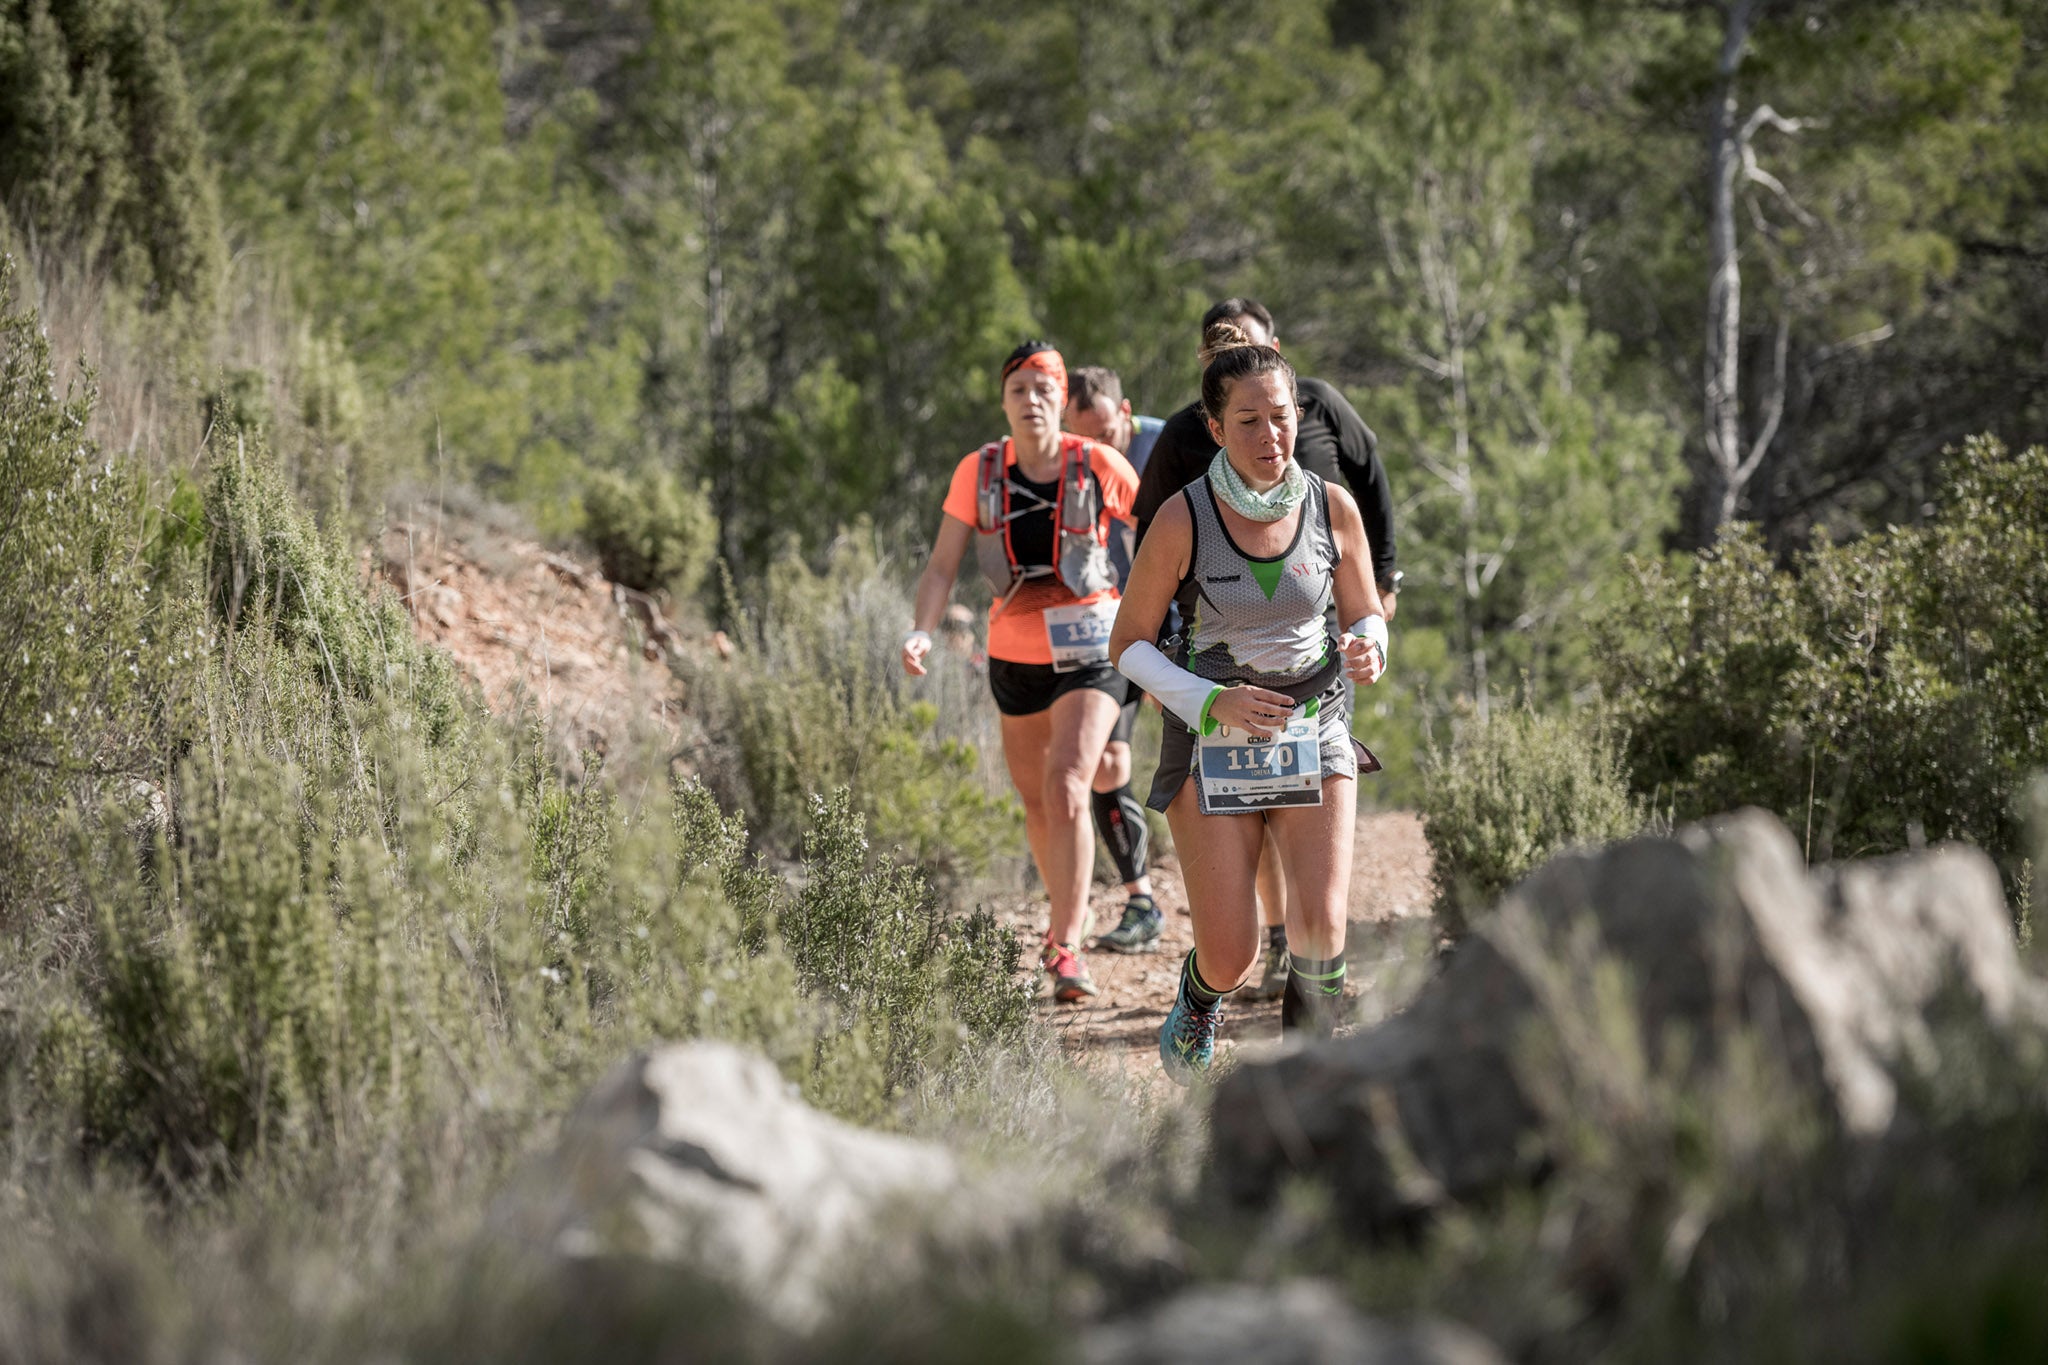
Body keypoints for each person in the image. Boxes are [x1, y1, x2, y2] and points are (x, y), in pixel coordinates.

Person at [1109, 321, 1388, 1083]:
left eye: (1283, 415)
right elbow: (1127, 645)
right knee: (1231, 952)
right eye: (1249, 420)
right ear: (1213, 427)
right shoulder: (1181, 518)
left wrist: (1371, 645)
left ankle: (1312, 1079)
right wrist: (1211, 702)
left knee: (1320, 927)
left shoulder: (1333, 508)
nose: (1271, 435)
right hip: (1212, 740)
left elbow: (1366, 611)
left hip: (1316, 726)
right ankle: (1200, 1002)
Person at [903, 341, 1138, 1003]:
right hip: (1014, 654)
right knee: (1038, 803)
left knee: (1069, 783)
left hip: (1092, 649)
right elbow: (944, 565)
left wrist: (1154, 614)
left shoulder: (1097, 463)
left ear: (1062, 400)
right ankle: (1063, 921)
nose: (1031, 400)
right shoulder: (978, 473)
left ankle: (1067, 941)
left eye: (1043, 389)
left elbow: (1160, 528)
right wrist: (921, 629)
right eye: (1018, 390)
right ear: (1003, 402)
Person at [1064, 366, 1164, 952]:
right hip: (1110, 633)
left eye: (1107, 432)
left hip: (1179, 629)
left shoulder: (1167, 445)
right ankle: (1142, 903)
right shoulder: (1067, 465)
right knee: (1107, 763)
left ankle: (1255, 911)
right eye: (1086, 438)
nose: (1100, 448)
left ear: (1125, 411)